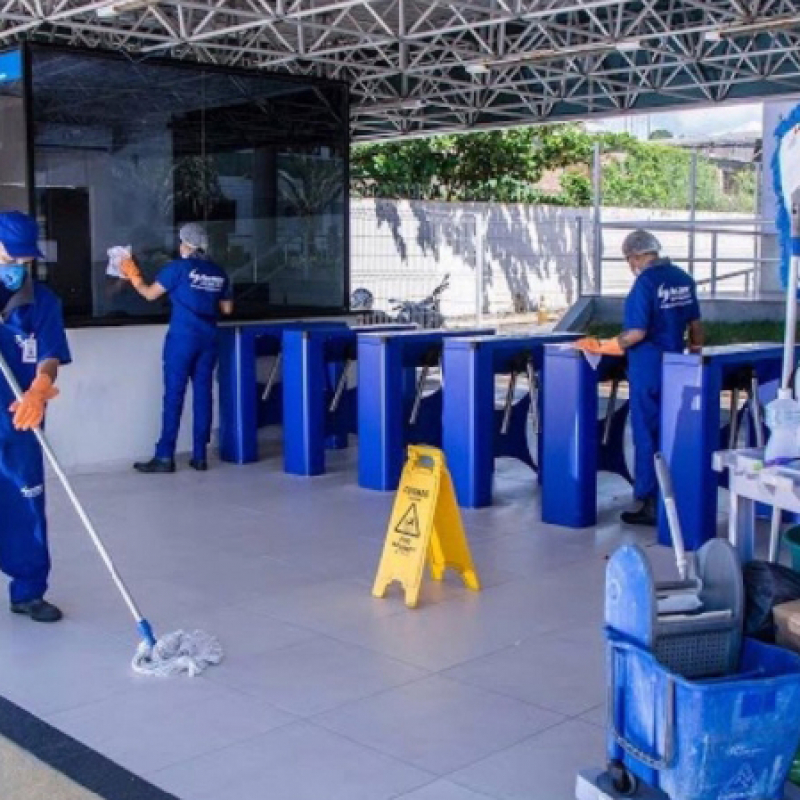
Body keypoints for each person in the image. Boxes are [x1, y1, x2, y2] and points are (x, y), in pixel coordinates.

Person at [575, 229, 704, 526]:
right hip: (677, 367)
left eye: (629, 259)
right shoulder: (683, 278)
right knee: (670, 432)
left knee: (646, 433)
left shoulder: (645, 284)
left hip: (647, 369)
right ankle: (674, 492)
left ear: (636, 256)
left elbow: (636, 333)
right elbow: (696, 326)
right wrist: (695, 356)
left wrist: (603, 346)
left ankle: (648, 500)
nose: (630, 265)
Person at [0, 211, 71, 622]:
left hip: (21, 416)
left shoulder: (42, 300)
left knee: (26, 504)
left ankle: (28, 591)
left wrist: (40, 388)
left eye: (25, 261)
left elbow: (49, 353)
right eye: (10, 260)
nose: (19, 268)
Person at [121, 223, 233, 473]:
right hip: (209, 338)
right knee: (203, 394)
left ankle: (165, 456)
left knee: (174, 395)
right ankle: (200, 456)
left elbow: (150, 295)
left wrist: (133, 275)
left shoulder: (177, 269)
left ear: (186, 245)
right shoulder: (219, 272)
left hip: (182, 339)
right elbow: (227, 309)